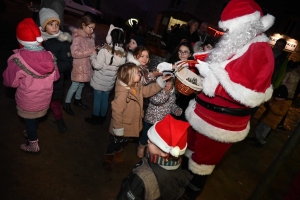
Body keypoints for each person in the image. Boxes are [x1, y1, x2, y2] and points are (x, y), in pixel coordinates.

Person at [158, 0, 276, 198]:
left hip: (220, 124)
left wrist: (212, 77)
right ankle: (178, 184)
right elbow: (208, 59)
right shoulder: (239, 42)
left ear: (245, 24)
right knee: (190, 153)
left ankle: (189, 194)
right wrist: (176, 65)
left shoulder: (260, 50)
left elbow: (248, 94)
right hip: (201, 113)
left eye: (230, 27)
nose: (227, 32)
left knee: (202, 164)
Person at [2, 18, 60, 153]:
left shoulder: (18, 60)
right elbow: (55, 77)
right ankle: (30, 131)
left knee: (29, 119)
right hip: (44, 99)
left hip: (27, 100)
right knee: (35, 118)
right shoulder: (50, 56)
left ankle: (33, 144)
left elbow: (10, 82)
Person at [103, 62, 170, 171]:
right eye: (137, 73)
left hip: (129, 124)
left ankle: (117, 154)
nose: (140, 74)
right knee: (115, 142)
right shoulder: (122, 93)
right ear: (129, 77)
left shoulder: (137, 86)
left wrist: (161, 82)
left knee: (122, 141)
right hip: (121, 125)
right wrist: (118, 128)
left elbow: (148, 91)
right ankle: (108, 157)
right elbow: (116, 111)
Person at [117, 114, 193, 199]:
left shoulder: (142, 177)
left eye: (152, 141)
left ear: (164, 153)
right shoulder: (181, 168)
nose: (148, 141)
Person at [38, 8, 73, 132]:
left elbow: (68, 62)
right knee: (38, 102)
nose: (54, 27)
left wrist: (52, 68)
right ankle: (33, 125)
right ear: (43, 26)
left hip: (55, 80)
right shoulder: (37, 41)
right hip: (39, 80)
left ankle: (59, 120)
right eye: (50, 24)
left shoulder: (63, 42)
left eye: (57, 24)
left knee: (55, 102)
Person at [85, 25, 126, 125]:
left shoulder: (104, 51)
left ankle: (95, 118)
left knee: (97, 100)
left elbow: (97, 66)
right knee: (105, 100)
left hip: (99, 81)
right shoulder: (123, 54)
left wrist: (93, 55)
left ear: (111, 37)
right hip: (109, 83)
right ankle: (102, 119)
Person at [137, 77, 183, 158]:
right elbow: (157, 101)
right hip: (151, 119)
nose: (168, 85)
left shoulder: (172, 94)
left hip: (162, 121)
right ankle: (142, 146)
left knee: (156, 137)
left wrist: (176, 110)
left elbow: (172, 105)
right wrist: (165, 93)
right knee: (146, 135)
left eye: (170, 83)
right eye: (166, 82)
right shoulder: (155, 91)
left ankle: (150, 148)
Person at [63, 15, 96, 115]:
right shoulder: (78, 37)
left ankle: (77, 100)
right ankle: (66, 103)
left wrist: (95, 50)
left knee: (81, 85)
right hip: (79, 66)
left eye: (93, 28)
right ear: (83, 25)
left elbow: (90, 50)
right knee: (75, 85)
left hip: (86, 66)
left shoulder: (90, 37)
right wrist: (91, 51)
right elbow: (75, 53)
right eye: (90, 27)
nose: (92, 30)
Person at [276, 62, 300, 131]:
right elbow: (283, 83)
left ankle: (279, 124)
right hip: (284, 94)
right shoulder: (289, 73)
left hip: (290, 95)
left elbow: (295, 87)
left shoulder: (298, 76)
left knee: (284, 110)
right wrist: (282, 93)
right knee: (276, 109)